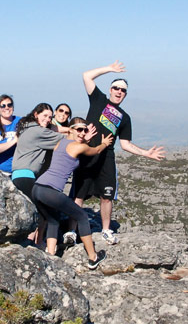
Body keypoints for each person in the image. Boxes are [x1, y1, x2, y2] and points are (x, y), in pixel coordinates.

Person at [72, 61, 166, 245]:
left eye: (123, 90)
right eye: (116, 88)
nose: (119, 92)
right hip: (88, 154)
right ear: (110, 89)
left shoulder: (125, 118)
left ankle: (106, 230)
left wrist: (146, 153)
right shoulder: (98, 100)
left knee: (107, 196)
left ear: (125, 94)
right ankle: (71, 230)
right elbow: (86, 76)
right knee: (79, 194)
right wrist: (109, 69)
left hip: (107, 158)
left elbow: (125, 144)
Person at [32, 118, 113, 269]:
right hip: (50, 190)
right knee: (81, 216)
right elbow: (96, 151)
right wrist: (105, 143)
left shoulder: (60, 143)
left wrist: (83, 141)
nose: (82, 133)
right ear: (70, 129)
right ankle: (93, 257)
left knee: (53, 221)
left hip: (37, 188)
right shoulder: (78, 147)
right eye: (79, 129)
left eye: (85, 130)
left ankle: (50, 257)